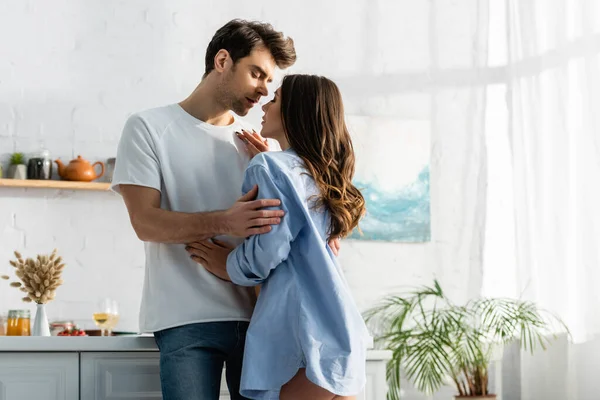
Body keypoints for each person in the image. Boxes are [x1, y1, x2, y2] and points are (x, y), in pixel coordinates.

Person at [110, 19, 303, 400]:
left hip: (259, 321)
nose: (265, 91)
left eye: (270, 81)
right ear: (222, 60)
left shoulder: (258, 147)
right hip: (185, 319)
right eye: (257, 74)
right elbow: (145, 223)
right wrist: (225, 220)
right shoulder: (148, 127)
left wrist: (281, 174)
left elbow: (282, 234)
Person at [189, 74, 371, 400]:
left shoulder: (270, 166)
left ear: (294, 112)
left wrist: (227, 264)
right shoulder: (319, 173)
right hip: (340, 336)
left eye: (275, 100)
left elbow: (266, 253)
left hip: (302, 339)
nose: (265, 104)